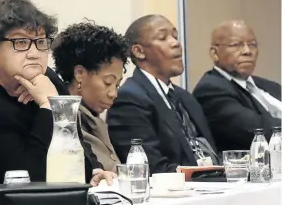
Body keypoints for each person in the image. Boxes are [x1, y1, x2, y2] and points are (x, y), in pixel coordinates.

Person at [0, 0, 114, 187]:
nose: (35, 54)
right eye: (21, 43)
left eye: (41, 42)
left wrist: (93, 170)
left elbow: (75, 142)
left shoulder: (47, 79)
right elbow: (28, 178)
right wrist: (48, 106)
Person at [107, 14, 219, 174]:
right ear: (139, 51)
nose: (176, 43)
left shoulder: (185, 97)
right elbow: (152, 168)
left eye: (175, 36)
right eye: (163, 37)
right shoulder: (129, 99)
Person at [51, 22, 128, 172]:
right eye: (108, 82)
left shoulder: (95, 120)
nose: (114, 94)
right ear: (79, 73)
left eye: (117, 85)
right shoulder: (64, 122)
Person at [193, 20, 281, 151]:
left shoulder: (270, 86)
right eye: (236, 45)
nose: (247, 51)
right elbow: (257, 130)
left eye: (253, 45)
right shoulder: (210, 90)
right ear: (215, 53)